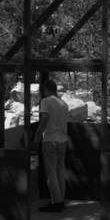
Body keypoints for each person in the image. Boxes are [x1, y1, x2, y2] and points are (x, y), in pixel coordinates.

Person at [33, 79, 69, 212]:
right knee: (60, 171)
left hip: (50, 140)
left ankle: (56, 202)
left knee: (51, 173)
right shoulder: (63, 103)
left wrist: (37, 137)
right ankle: (61, 200)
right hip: (63, 140)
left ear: (47, 89)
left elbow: (44, 120)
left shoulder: (46, 101)